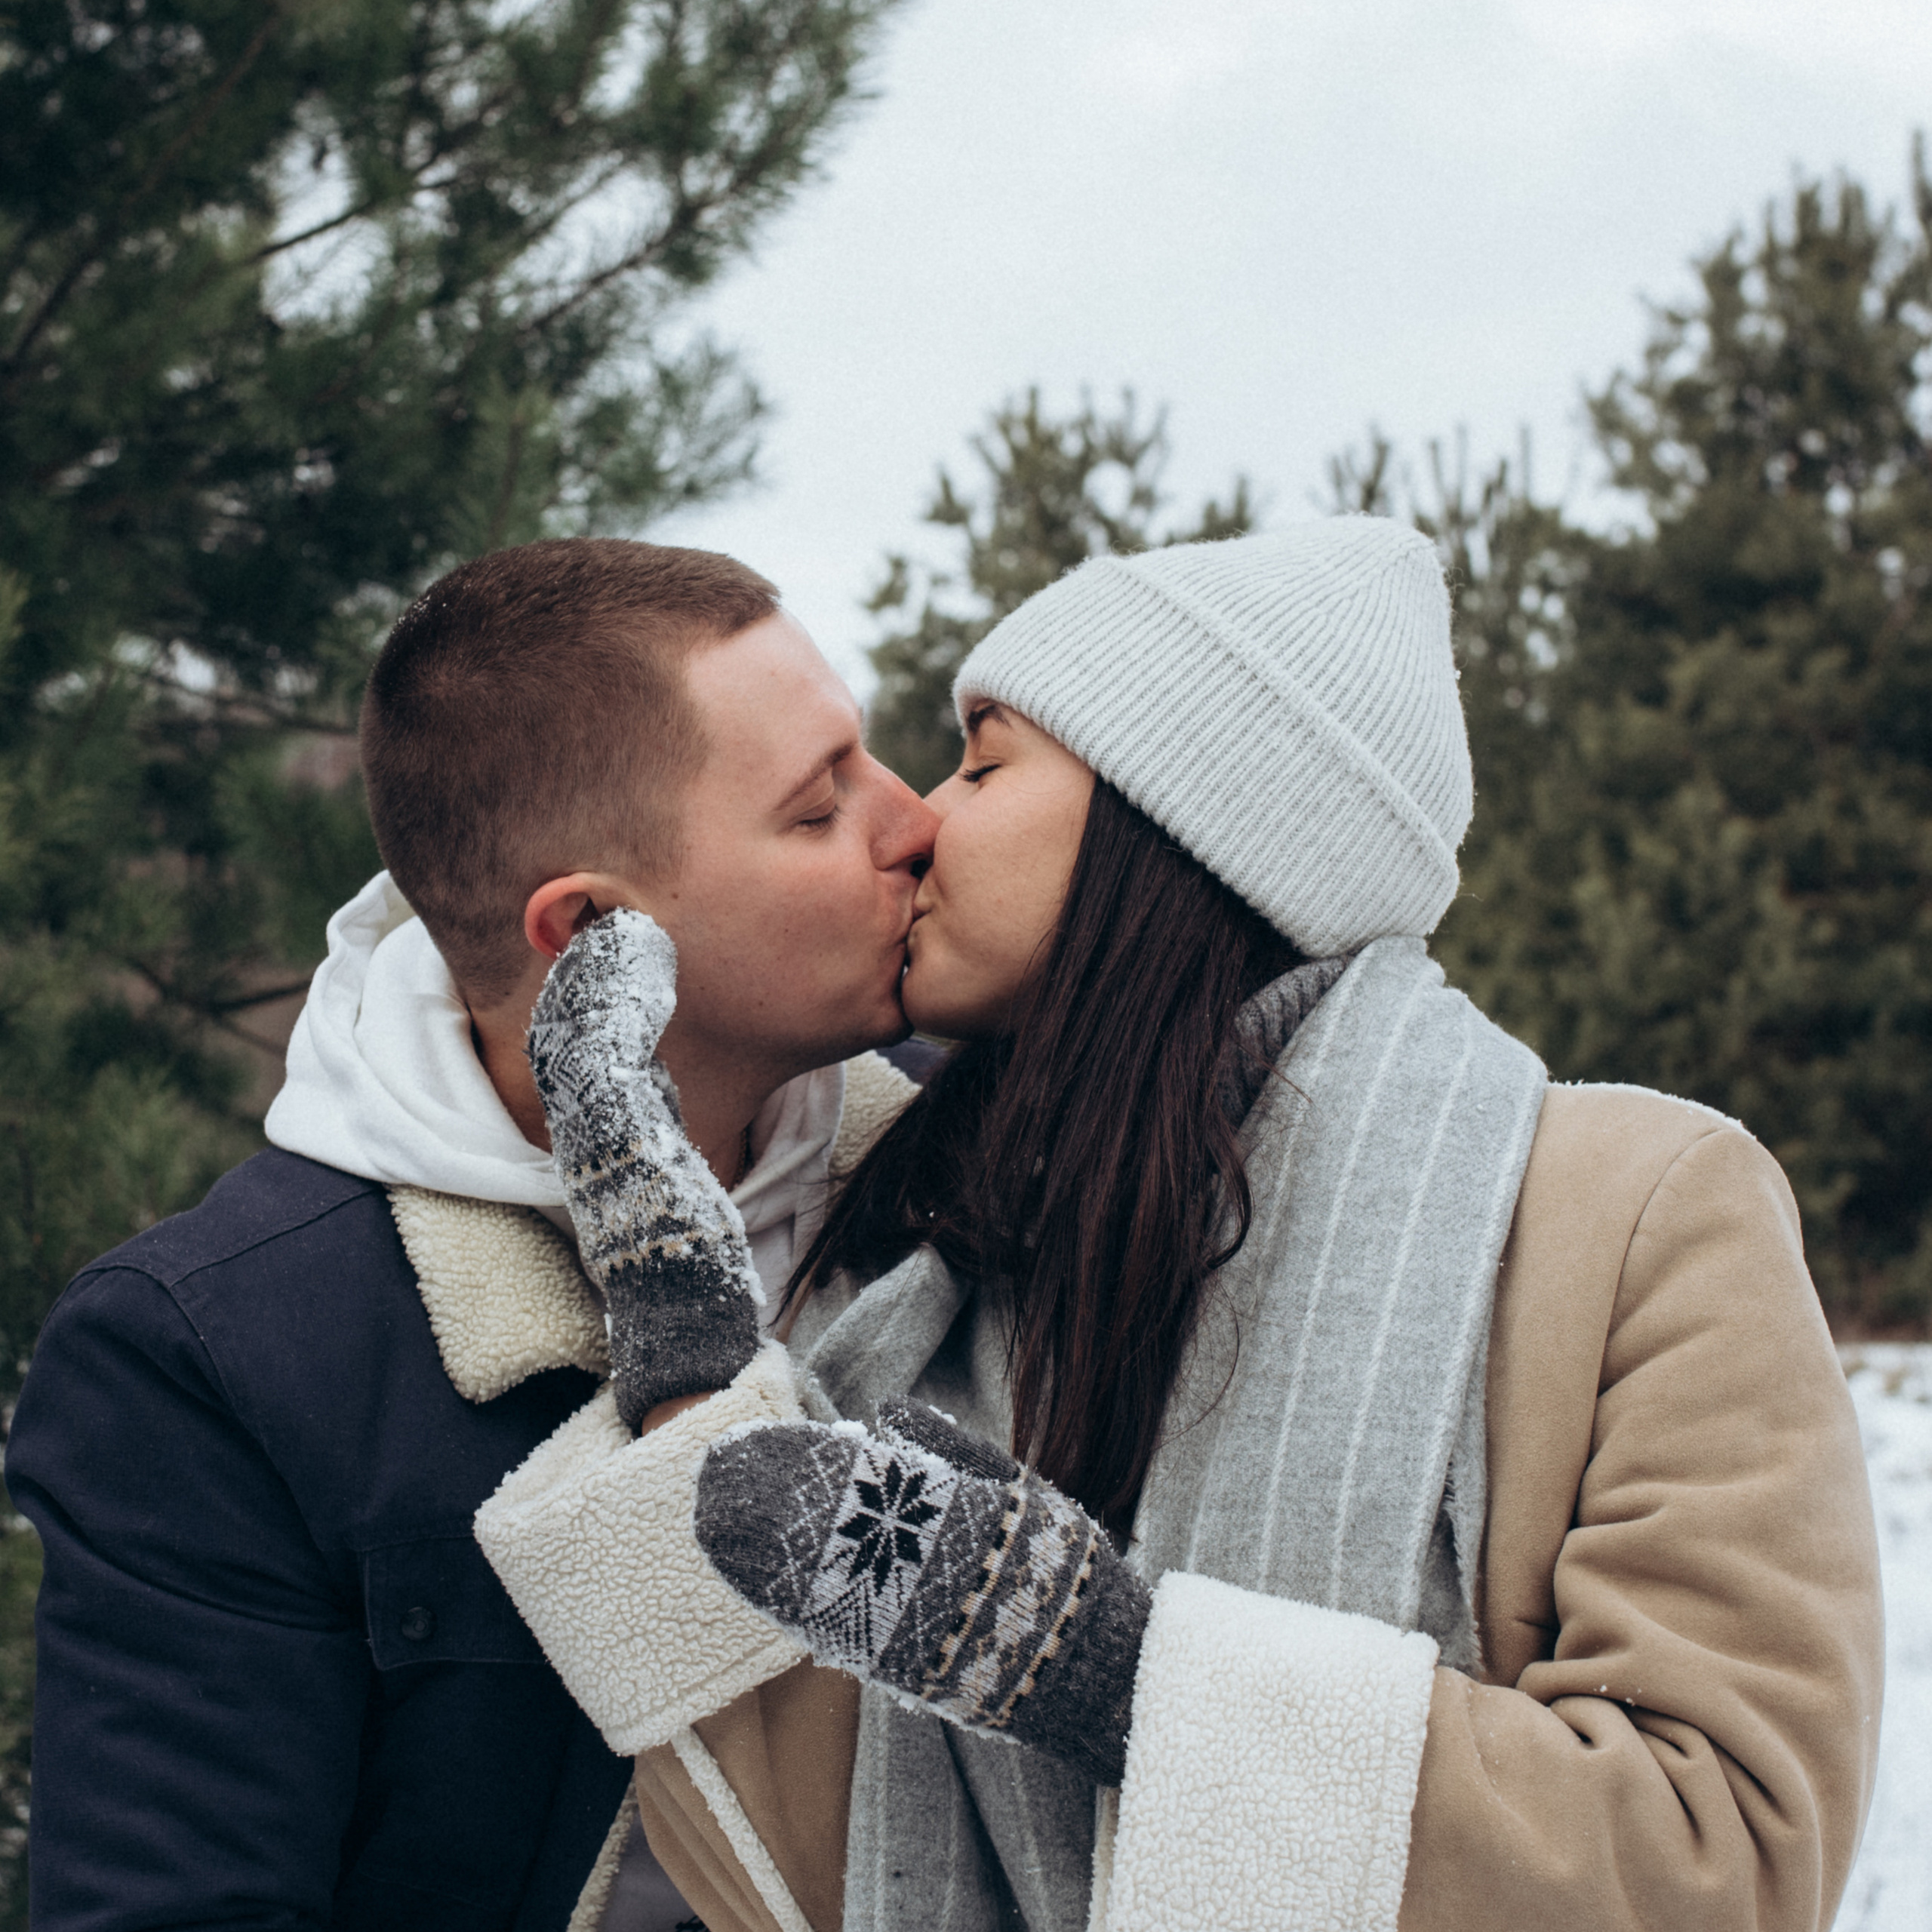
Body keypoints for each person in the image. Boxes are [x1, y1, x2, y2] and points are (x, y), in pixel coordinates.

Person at [483, 518, 1884, 1932]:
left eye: (984, 761)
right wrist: (688, 1372)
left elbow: (1734, 1860)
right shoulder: (934, 1258)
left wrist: (1112, 1675)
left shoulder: (1637, 1211)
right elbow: (796, 1883)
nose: (916, 821)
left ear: (1185, 818)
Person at [5, 538, 938, 1931]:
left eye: (872, 761)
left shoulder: (983, 1187)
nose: (914, 821)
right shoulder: (221, 1359)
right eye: (818, 811)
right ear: (596, 940)